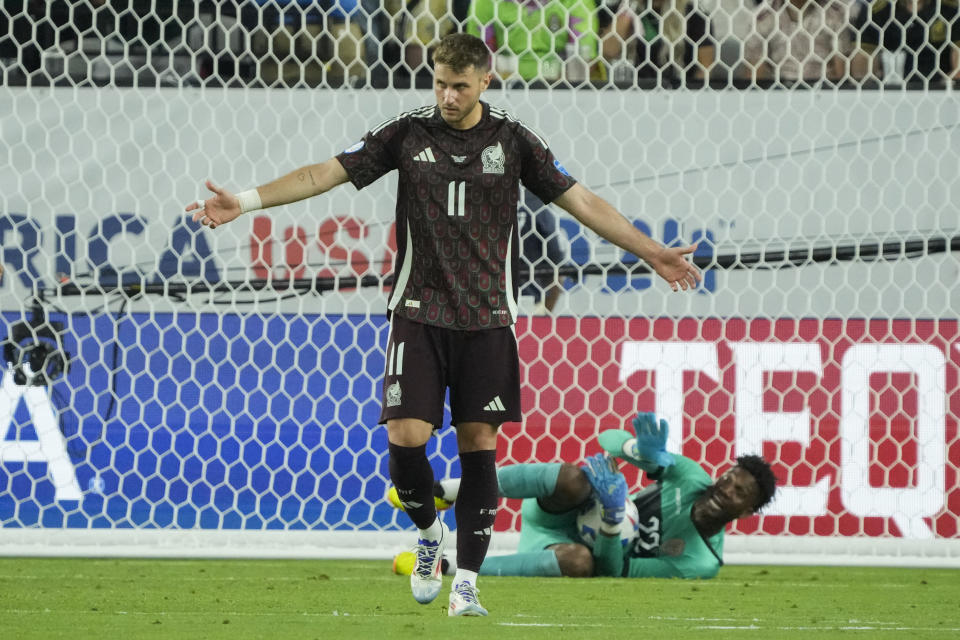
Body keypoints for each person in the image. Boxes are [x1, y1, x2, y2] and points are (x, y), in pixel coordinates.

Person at [186, 32, 701, 616]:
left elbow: (583, 203)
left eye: (459, 85)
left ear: (486, 81)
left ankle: (468, 584)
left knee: (478, 445)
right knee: (405, 438)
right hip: (418, 313)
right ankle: (430, 535)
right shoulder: (408, 132)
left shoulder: (515, 141)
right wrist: (246, 201)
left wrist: (652, 251)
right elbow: (320, 175)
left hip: (487, 320)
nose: (447, 96)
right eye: (439, 83)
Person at [392, 412, 778, 579]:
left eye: (738, 492)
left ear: (746, 512)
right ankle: (448, 491)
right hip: (557, 513)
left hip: (563, 552)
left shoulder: (700, 561)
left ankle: (443, 566)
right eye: (729, 478)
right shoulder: (692, 478)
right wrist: (642, 453)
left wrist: (613, 520)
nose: (724, 488)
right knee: (577, 478)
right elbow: (608, 439)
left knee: (582, 564)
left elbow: (616, 571)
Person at [466, 0, 602, 86]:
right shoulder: (484, 3)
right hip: (504, 92)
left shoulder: (578, 2)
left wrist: (551, 90)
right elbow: (478, 63)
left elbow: (582, 61)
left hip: (560, 92)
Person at [743, 0, 865, 87]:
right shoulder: (762, 16)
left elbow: (840, 74)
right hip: (779, 92)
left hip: (823, 91)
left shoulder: (836, 13)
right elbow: (754, 77)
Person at [605, 0, 717, 87]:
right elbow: (608, 51)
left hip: (679, 92)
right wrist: (629, 11)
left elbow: (705, 66)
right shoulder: (624, 9)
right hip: (635, 91)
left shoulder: (694, 15)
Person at [852, 0, 960, 85]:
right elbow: (862, 68)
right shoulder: (875, 9)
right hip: (888, 93)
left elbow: (958, 69)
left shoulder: (952, 8)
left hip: (938, 92)